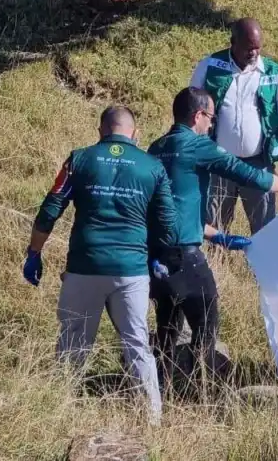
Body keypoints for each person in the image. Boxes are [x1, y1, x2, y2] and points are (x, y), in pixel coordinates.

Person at [147, 86, 278, 386]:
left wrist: (218, 236)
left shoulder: (155, 149)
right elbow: (245, 173)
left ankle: (161, 391)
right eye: (210, 117)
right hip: (185, 255)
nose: (211, 125)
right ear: (198, 116)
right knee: (206, 319)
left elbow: (173, 209)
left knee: (167, 328)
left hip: (155, 254)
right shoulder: (198, 146)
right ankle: (204, 389)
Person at [22, 105, 176, 425]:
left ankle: (58, 416)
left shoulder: (79, 159)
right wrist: (158, 258)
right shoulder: (152, 167)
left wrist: (34, 253)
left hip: (84, 267)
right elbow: (168, 225)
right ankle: (152, 421)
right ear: (135, 134)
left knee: (73, 342)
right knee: (137, 345)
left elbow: (50, 209)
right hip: (131, 271)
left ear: (100, 131)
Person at [189, 17, 278, 235]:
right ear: (233, 42)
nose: (253, 53)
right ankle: (217, 267)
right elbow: (190, 111)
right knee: (213, 229)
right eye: (248, 48)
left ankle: (262, 269)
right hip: (218, 163)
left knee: (266, 231)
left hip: (258, 165)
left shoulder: (271, 72)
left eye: (257, 48)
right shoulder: (210, 66)